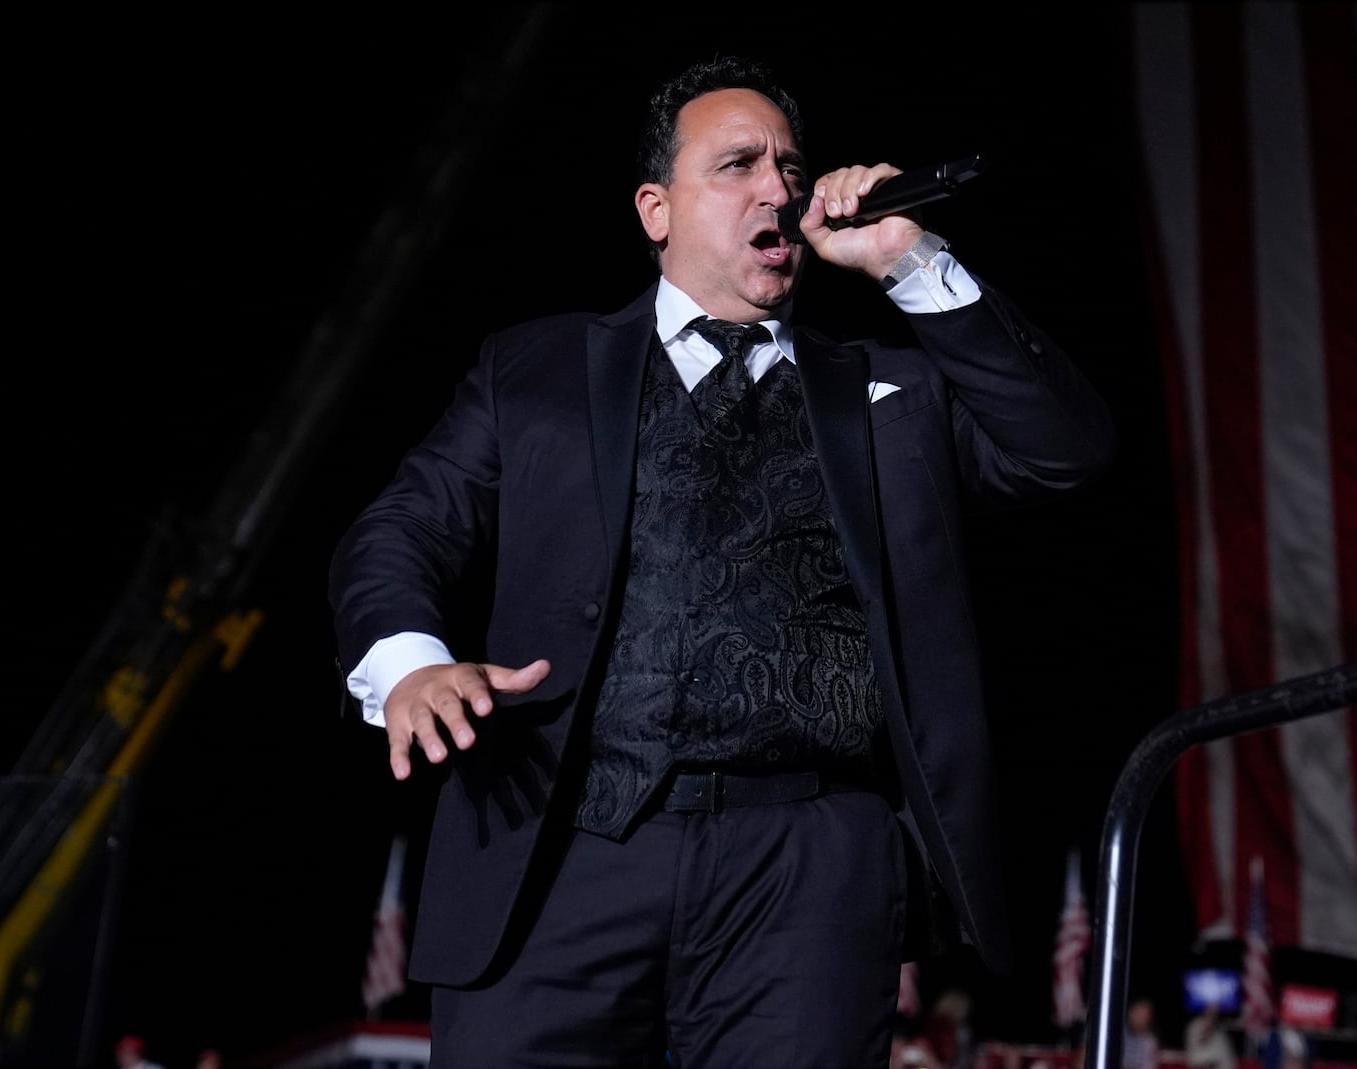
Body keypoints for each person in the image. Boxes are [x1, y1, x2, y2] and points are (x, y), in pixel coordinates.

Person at [328, 53, 1115, 1069]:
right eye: (738, 165)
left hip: (805, 870)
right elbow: (399, 528)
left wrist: (906, 261)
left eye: (790, 166)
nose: (779, 188)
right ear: (657, 208)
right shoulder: (535, 369)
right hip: (561, 845)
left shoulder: (889, 389)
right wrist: (409, 661)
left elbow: (1066, 450)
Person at [1122, 996, 1159, 1069]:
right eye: (1139, 1013)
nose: (1142, 1017)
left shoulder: (1150, 1041)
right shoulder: (1118, 1035)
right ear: (1130, 1013)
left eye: (1145, 1014)